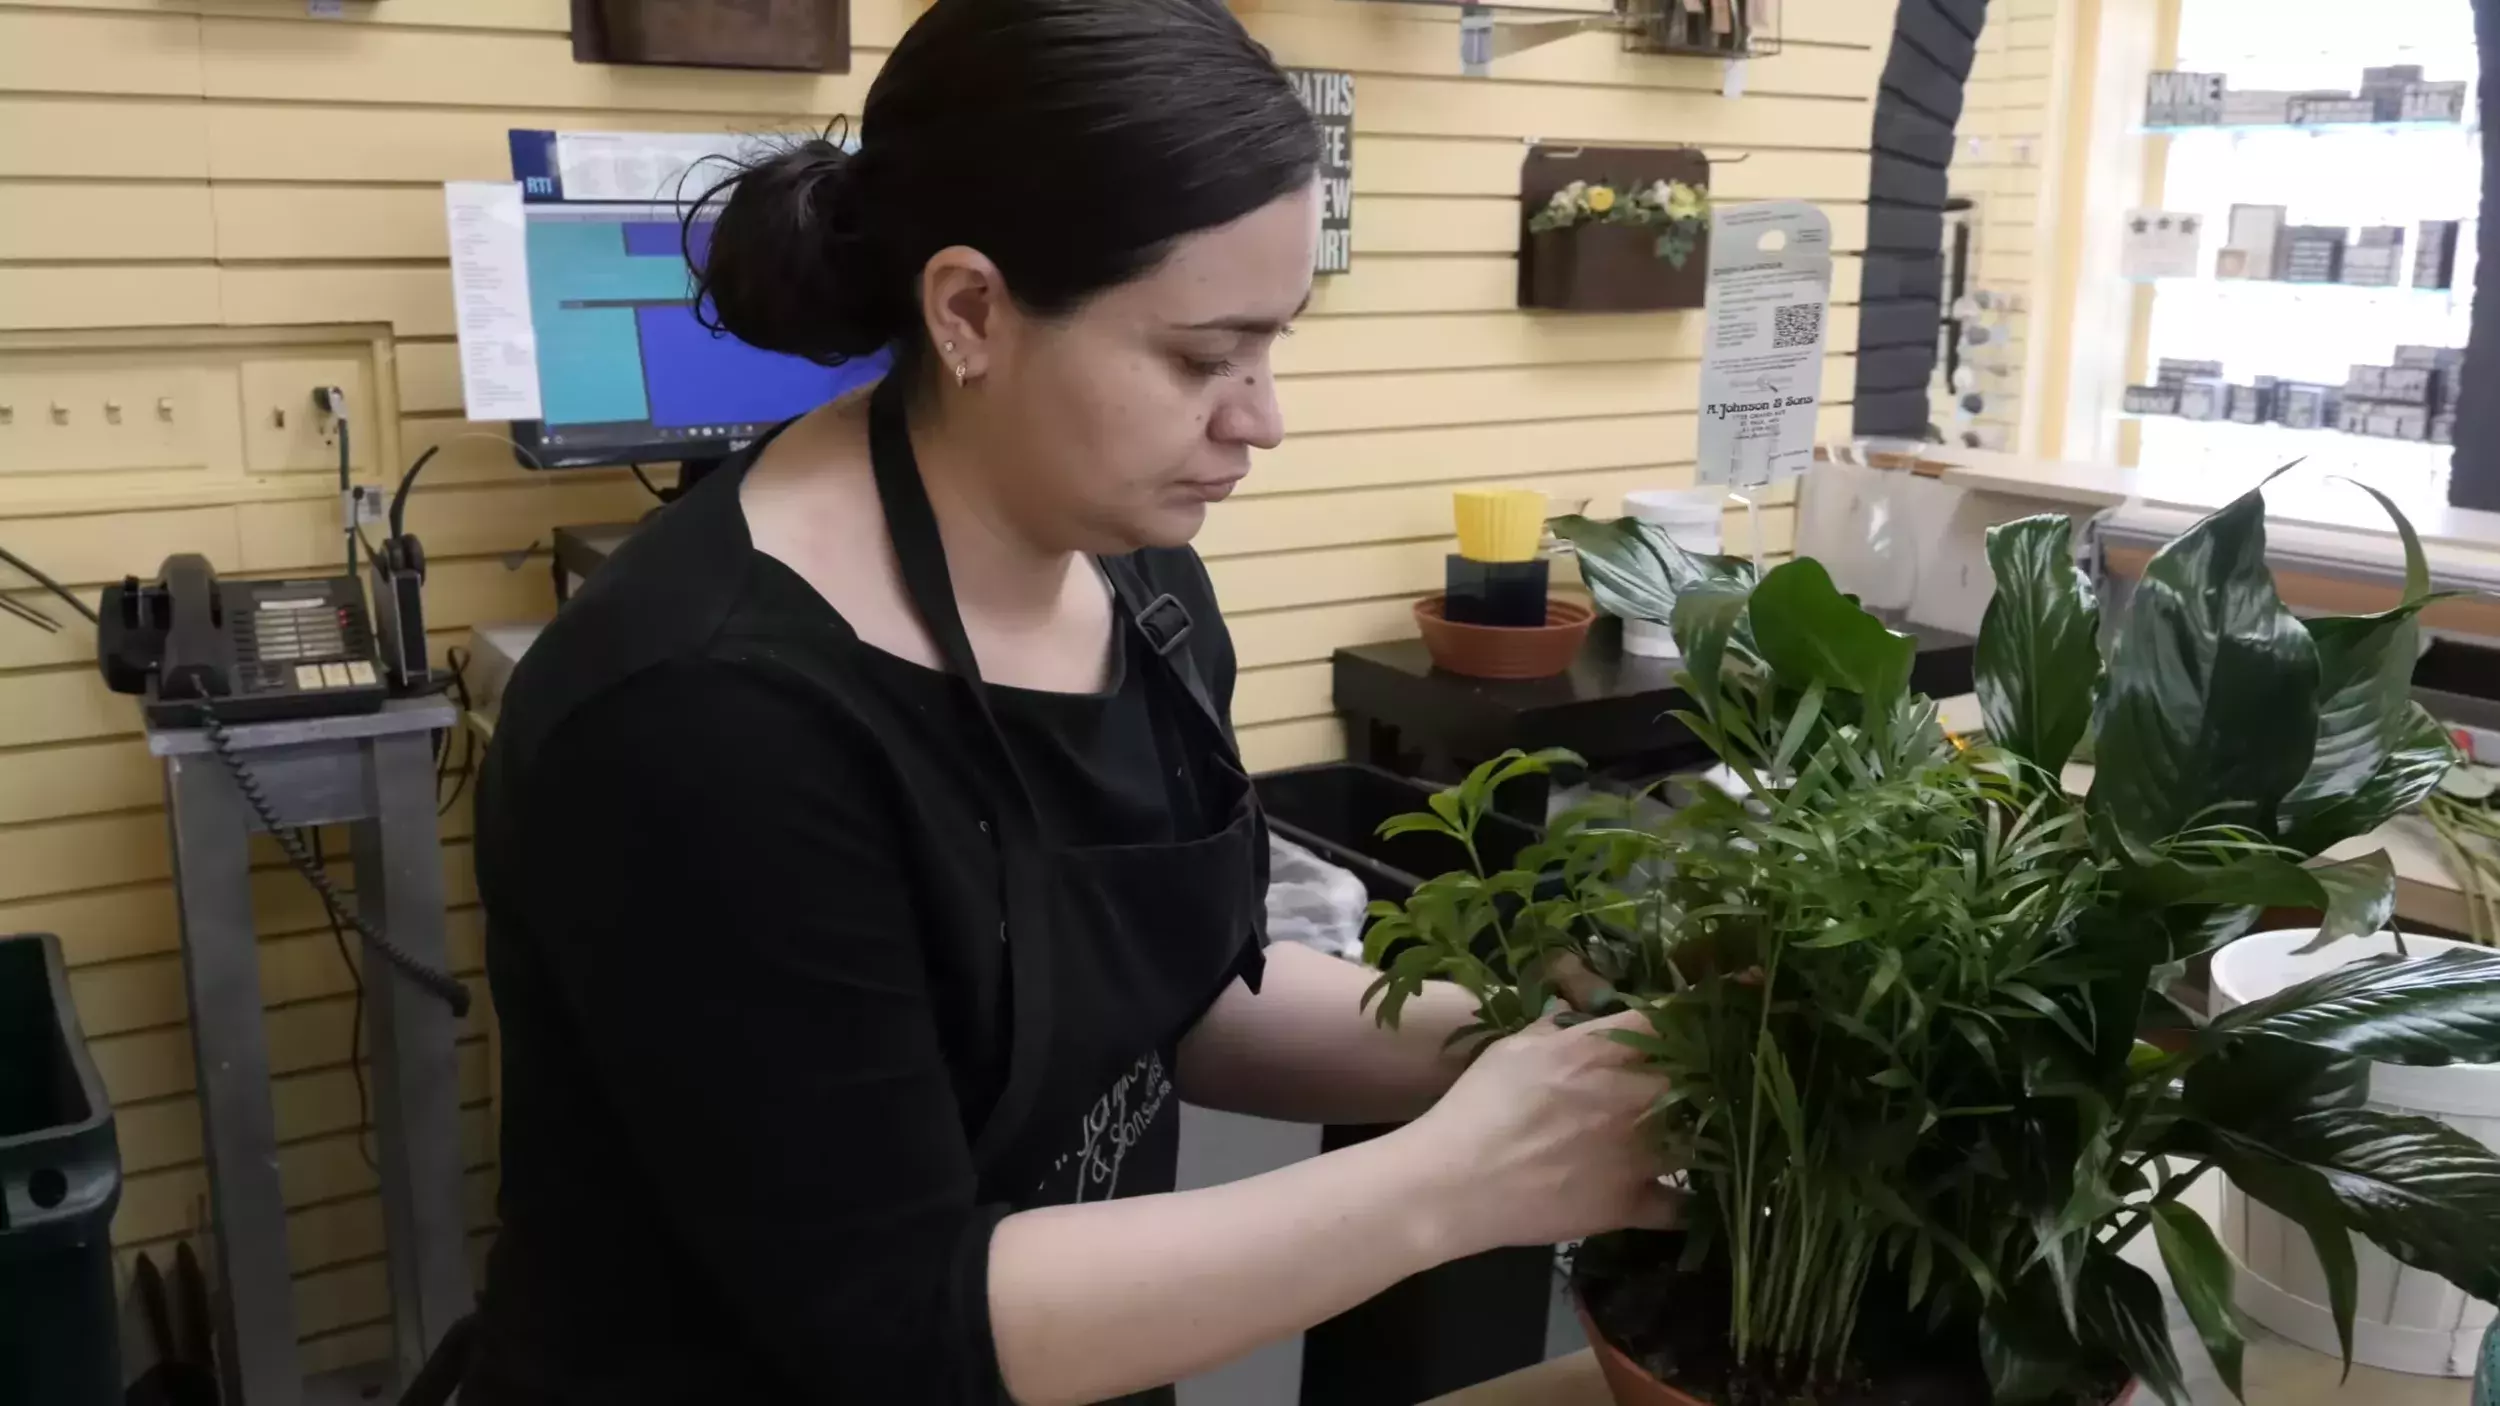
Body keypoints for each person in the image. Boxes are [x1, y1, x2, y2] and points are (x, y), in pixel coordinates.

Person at [465, 2, 1675, 1402]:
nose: (1260, 418)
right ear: (969, 310)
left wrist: (1529, 1051)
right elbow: (898, 1316)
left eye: (1273, 343)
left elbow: (1177, 1000)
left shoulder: (1142, 588)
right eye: (1199, 356)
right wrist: (1458, 1182)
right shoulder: (704, 720)